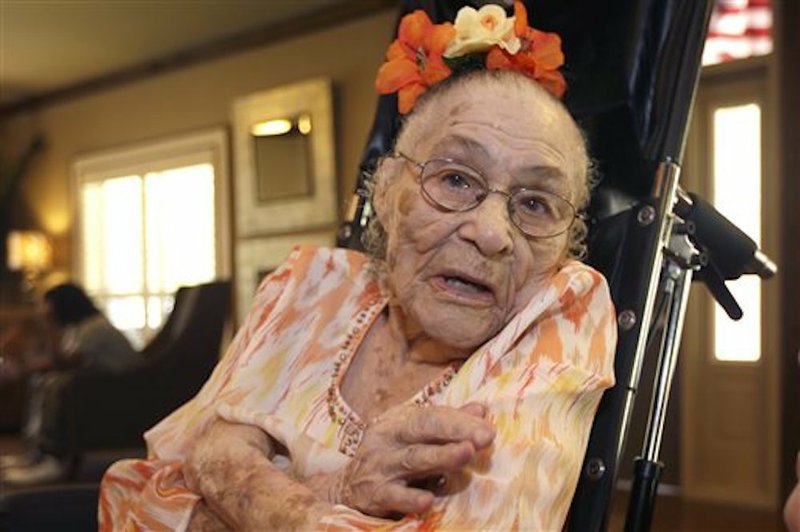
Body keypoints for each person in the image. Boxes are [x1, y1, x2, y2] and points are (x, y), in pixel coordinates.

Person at [99, 3, 616, 530]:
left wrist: (230, 474)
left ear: (566, 244)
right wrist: (337, 494)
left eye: (535, 204)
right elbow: (130, 496)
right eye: (456, 179)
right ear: (389, 195)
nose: (491, 232)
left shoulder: (564, 312)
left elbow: (185, 483)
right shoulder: (306, 285)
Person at [1, 282, 139, 485]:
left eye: (47, 305)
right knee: (44, 381)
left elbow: (67, 362)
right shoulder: (80, 328)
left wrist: (48, 328)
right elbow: (62, 362)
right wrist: (24, 371)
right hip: (98, 387)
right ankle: (38, 454)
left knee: (55, 384)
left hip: (124, 391)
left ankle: (54, 459)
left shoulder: (96, 328)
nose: (43, 310)